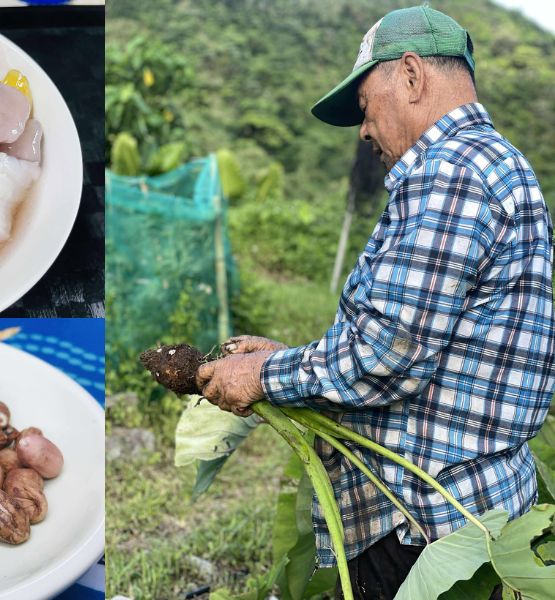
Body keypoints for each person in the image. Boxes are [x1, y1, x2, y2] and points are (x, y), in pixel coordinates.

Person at [195, 6, 555, 600]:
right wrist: (290, 358)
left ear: (411, 75)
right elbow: (430, 343)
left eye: (364, 107)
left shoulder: (451, 173)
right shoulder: (497, 163)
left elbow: (387, 356)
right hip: (474, 511)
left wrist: (263, 374)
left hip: (423, 522)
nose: (363, 131)